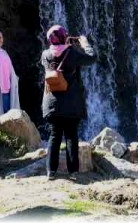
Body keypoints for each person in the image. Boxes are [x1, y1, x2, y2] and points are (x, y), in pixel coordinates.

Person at [40, 25, 97, 179]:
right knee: (72, 137)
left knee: (54, 136)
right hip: (71, 103)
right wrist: (85, 44)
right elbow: (92, 58)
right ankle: (73, 173)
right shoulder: (71, 53)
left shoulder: (45, 54)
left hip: (52, 103)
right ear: (64, 36)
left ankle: (51, 172)